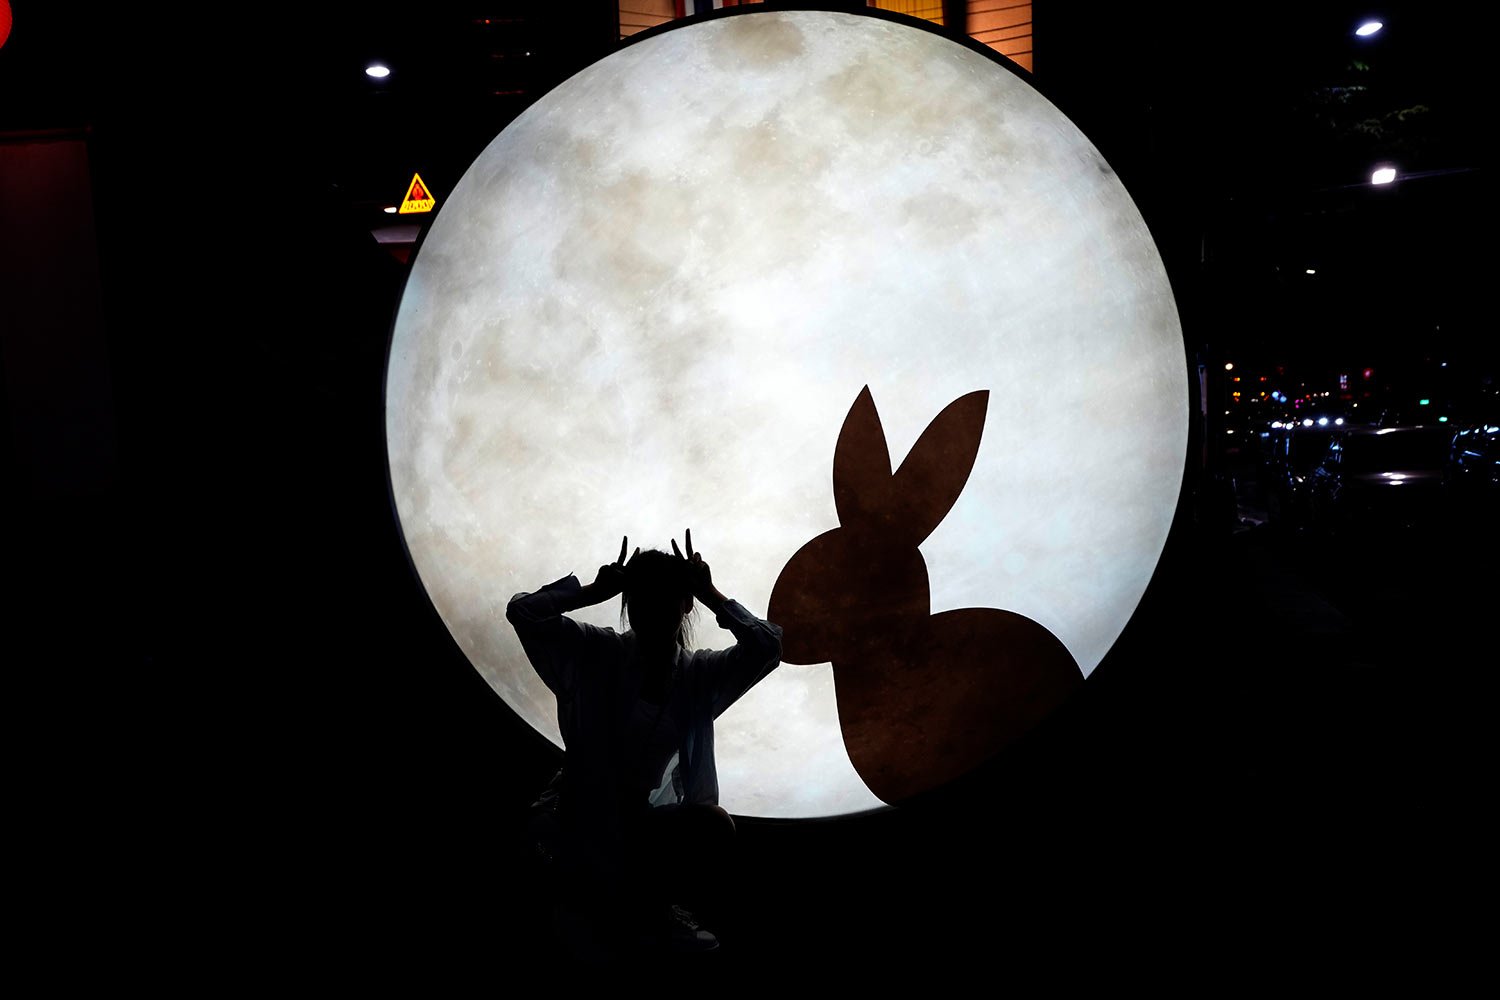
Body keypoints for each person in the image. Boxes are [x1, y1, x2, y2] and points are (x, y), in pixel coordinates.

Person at [507, 530, 783, 958]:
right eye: (639, 599)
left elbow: (766, 647)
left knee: (714, 826)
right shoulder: (596, 650)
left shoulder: (698, 676)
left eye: (663, 599)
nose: (650, 611)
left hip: (637, 827)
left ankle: (644, 910)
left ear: (683, 603)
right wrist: (593, 591)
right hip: (577, 815)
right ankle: (623, 910)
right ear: (627, 604)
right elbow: (524, 613)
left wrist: (710, 592)